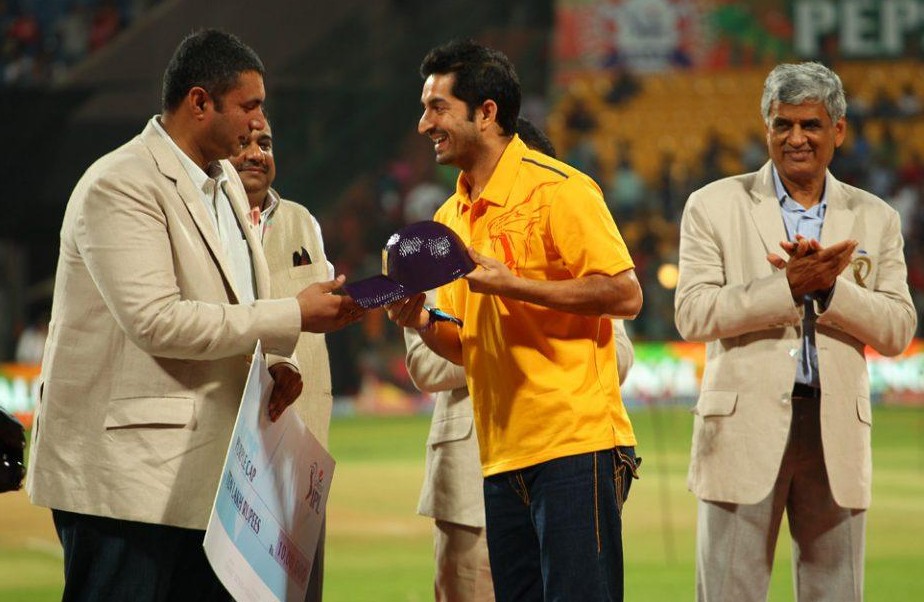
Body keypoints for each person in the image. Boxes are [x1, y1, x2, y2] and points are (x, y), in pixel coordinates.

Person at [26, 29, 362, 600]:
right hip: (127, 485)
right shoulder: (120, 183)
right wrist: (291, 315)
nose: (258, 122)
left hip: (211, 483)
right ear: (199, 102)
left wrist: (275, 361)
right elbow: (157, 321)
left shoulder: (224, 185)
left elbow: (232, 298)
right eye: (249, 105)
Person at [388, 40, 643, 601]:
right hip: (501, 454)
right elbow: (468, 346)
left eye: (437, 107)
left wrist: (514, 284)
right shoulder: (448, 216)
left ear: (486, 113)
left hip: (575, 445)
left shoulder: (560, 189)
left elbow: (625, 293)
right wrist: (420, 319)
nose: (424, 122)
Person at [675, 62, 916, 602]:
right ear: (766, 129)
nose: (796, 138)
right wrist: (787, 288)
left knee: (837, 594)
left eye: (810, 124)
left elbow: (899, 329)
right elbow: (691, 313)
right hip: (740, 431)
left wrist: (830, 292)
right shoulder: (713, 205)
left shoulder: (876, 217)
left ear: (839, 130)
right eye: (782, 125)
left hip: (836, 433)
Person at [230, 120, 334, 602]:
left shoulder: (301, 221)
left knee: (301, 592)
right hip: (232, 457)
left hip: (299, 452)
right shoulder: (206, 219)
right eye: (243, 143)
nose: (256, 153)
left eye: (266, 144)